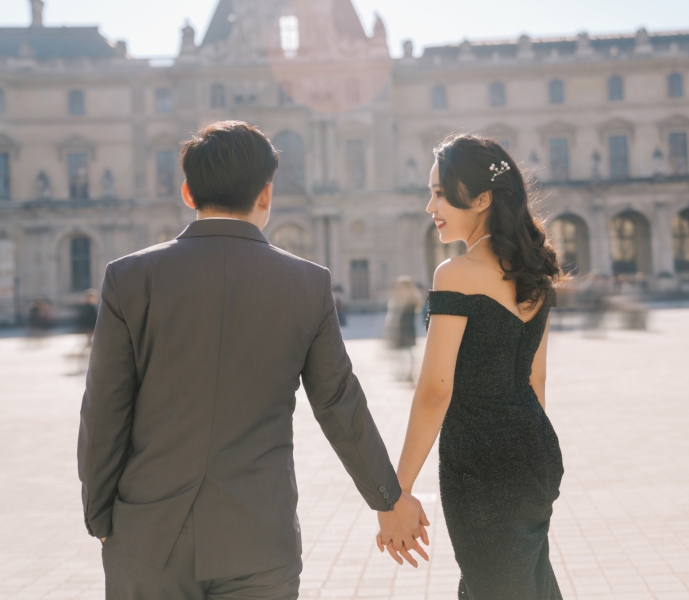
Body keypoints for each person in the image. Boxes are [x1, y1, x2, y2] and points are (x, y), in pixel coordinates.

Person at [78, 121, 428, 600]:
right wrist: (389, 500)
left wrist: (100, 514)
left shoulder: (128, 277)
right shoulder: (307, 284)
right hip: (259, 537)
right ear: (266, 195)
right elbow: (338, 405)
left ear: (187, 192)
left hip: (147, 535)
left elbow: (103, 412)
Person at [380, 134, 564, 598]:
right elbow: (534, 381)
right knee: (527, 582)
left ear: (481, 198)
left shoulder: (456, 274)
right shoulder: (533, 274)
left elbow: (434, 392)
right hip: (534, 453)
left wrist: (395, 492)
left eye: (440, 193)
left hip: (481, 465)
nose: (430, 205)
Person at [384, 276, 424, 381]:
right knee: (403, 352)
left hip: (405, 328)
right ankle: (405, 373)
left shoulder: (410, 299)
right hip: (405, 328)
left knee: (407, 352)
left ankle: (409, 373)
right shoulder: (407, 298)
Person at [76, 289, 99, 354]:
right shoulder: (87, 307)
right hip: (90, 327)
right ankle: (84, 353)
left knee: (91, 341)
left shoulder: (93, 306)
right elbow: (86, 318)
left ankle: (89, 353)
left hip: (92, 326)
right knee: (90, 341)